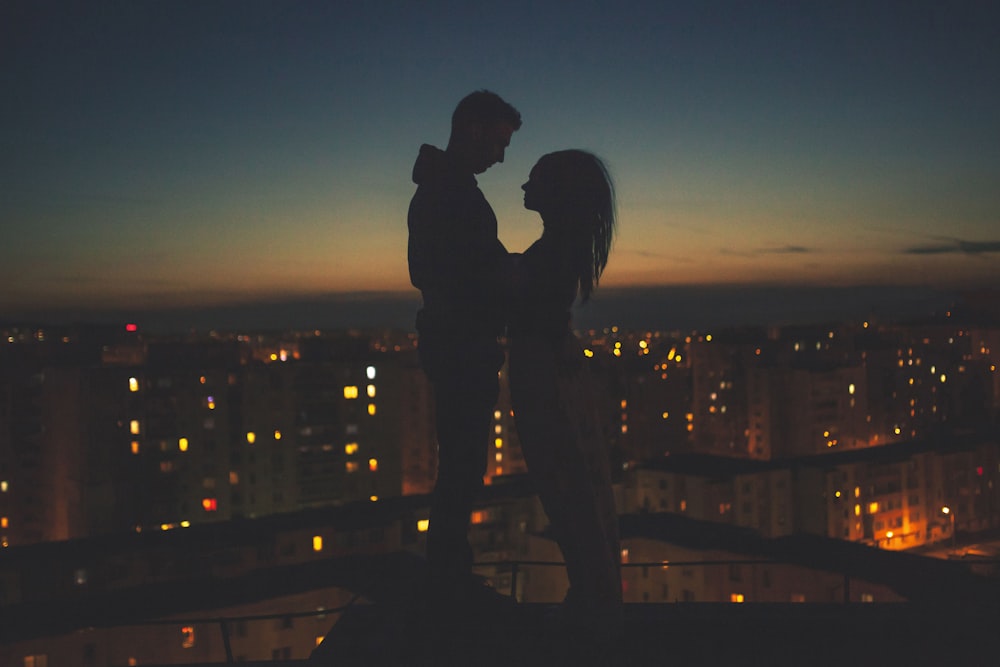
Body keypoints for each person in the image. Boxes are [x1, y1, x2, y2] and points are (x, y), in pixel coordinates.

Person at [407, 90, 522, 605]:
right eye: (499, 142)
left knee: (460, 464)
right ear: (475, 130)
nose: (501, 156)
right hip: (462, 349)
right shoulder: (449, 194)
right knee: (461, 465)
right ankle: (449, 579)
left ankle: (448, 574)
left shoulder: (445, 190)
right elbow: (456, 271)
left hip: (456, 345)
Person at [508, 150, 623, 643]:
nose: (523, 187)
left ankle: (591, 597)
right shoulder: (558, 248)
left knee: (564, 481)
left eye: (532, 180)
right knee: (569, 481)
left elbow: (528, 305)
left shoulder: (551, 252)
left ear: (555, 192)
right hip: (548, 369)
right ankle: (592, 592)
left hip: (542, 374)